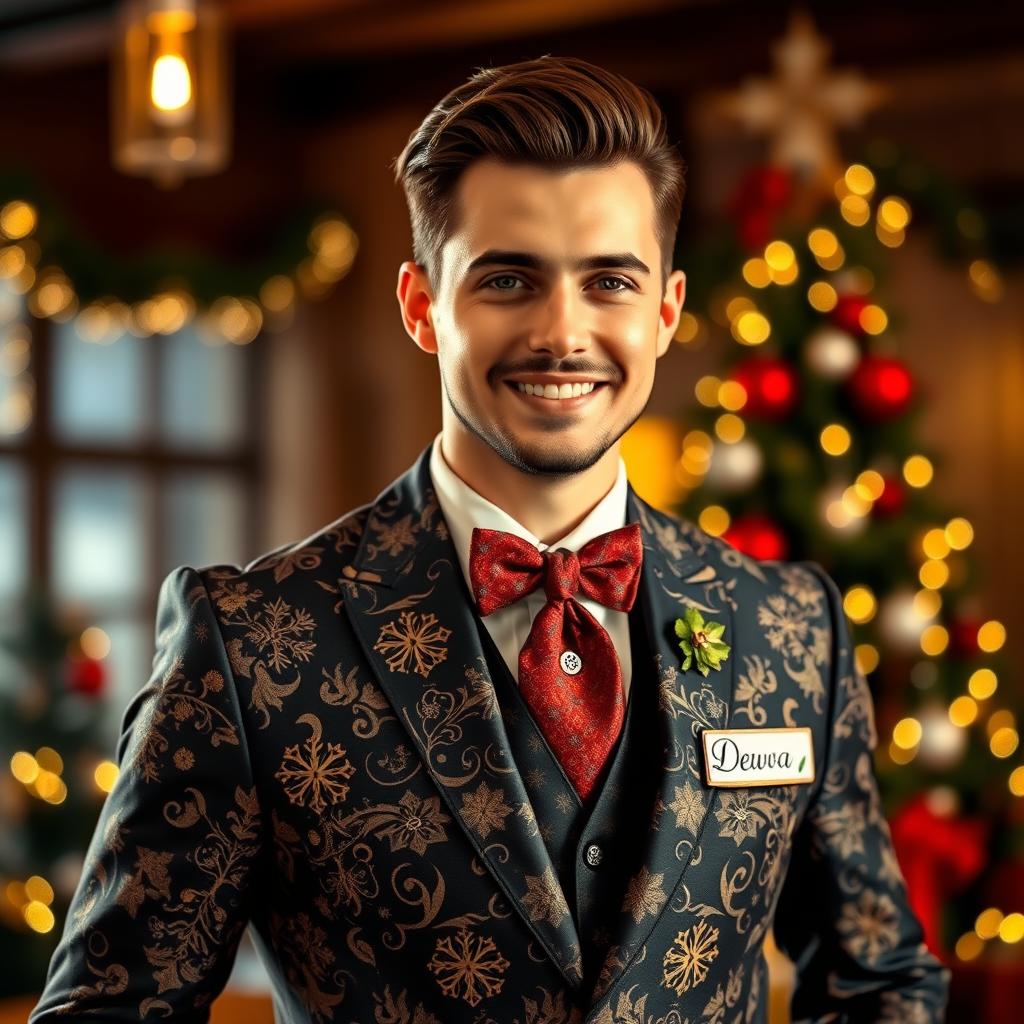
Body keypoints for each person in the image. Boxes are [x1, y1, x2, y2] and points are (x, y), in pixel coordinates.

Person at [29, 55, 950, 1023]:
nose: (563, 331)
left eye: (609, 281)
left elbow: (876, 978)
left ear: (667, 309)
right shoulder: (252, 643)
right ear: (422, 305)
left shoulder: (789, 627)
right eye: (509, 278)